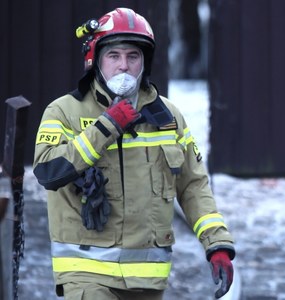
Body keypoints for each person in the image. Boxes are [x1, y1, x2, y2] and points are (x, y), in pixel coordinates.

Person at [33, 8, 235, 299]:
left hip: (148, 280)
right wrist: (106, 126)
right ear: (96, 61)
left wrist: (217, 245)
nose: (123, 66)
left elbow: (193, 185)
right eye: (113, 56)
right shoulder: (64, 111)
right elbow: (47, 172)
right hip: (86, 274)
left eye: (133, 56)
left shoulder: (168, 117)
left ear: (145, 62)